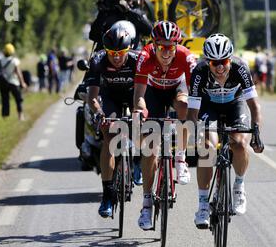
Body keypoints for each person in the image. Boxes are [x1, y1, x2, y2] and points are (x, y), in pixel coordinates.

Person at [187, 34, 263, 228]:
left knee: (238, 144)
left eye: (224, 61)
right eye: (214, 63)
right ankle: (203, 205)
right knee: (207, 148)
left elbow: (254, 107)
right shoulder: (199, 71)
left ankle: (239, 186)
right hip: (209, 106)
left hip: (234, 105)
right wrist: (194, 134)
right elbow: (193, 111)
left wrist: (256, 134)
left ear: (230, 59)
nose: (220, 67)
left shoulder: (240, 68)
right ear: (207, 61)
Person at [133, 20, 197, 230]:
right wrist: (141, 111)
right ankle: (146, 203)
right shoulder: (145, 56)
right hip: (152, 93)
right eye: (162, 47)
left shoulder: (185, 56)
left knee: (184, 106)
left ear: (176, 45)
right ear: (154, 45)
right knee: (151, 149)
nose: (167, 52)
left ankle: (180, 158)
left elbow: (194, 91)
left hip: (176, 89)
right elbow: (139, 95)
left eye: (171, 47)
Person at [81, 25, 139, 218]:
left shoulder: (137, 61)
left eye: (120, 53)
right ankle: (107, 195)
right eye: (112, 53)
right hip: (110, 97)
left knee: (143, 124)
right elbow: (92, 96)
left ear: (128, 49)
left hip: (133, 94)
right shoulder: (98, 60)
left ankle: (138, 161)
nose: (116, 57)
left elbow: (148, 92)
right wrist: (99, 114)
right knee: (109, 136)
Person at [0, 43, 28, 121]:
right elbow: (18, 73)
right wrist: (23, 83)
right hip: (13, 82)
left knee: (5, 100)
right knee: (18, 99)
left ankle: (5, 117)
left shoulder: (0, 61)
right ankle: (20, 116)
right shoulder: (14, 61)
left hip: (3, 83)